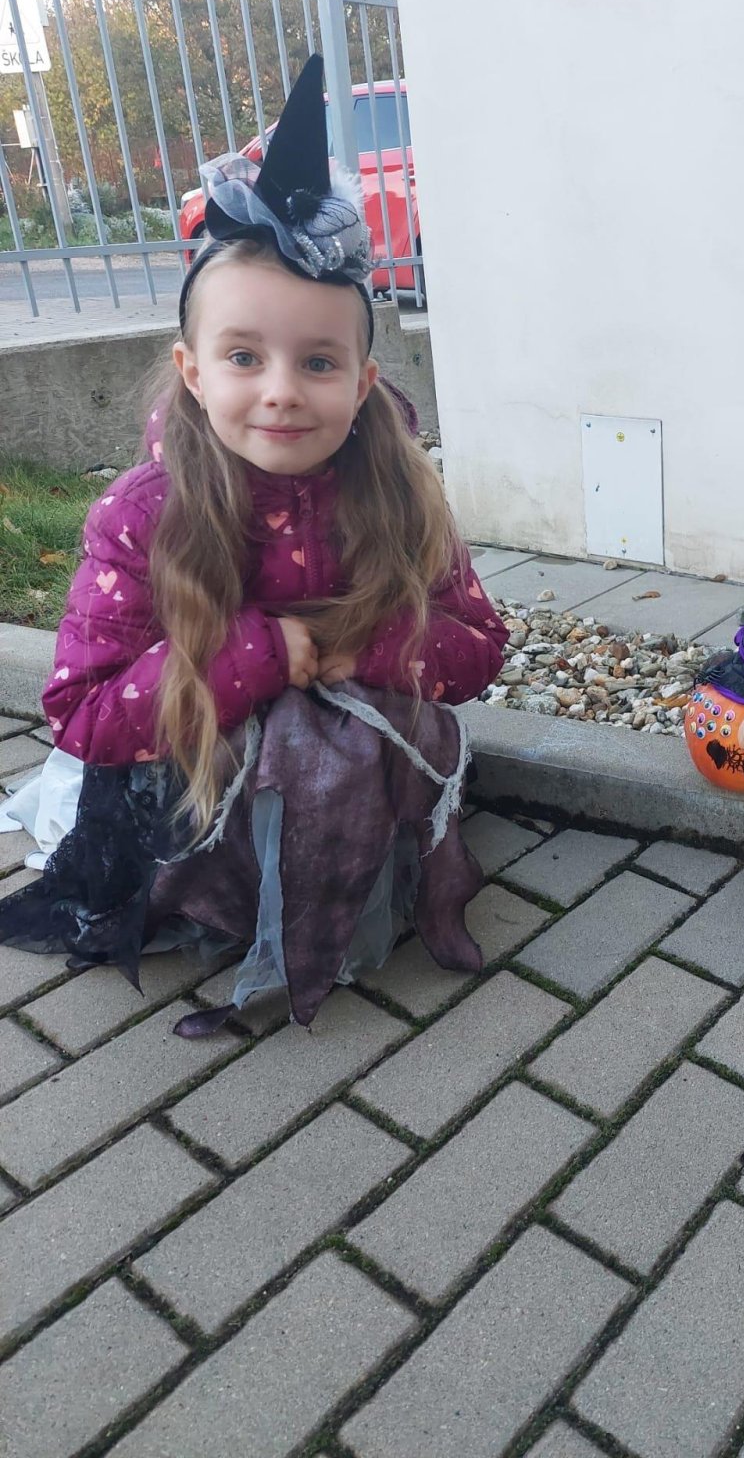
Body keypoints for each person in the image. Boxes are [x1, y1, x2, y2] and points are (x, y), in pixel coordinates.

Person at [0, 54, 506, 1034]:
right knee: (269, 741)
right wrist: (259, 655)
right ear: (192, 371)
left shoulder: (398, 492)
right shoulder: (146, 515)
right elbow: (83, 710)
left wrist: (364, 646)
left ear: (362, 381)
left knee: (345, 742)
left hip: (349, 764)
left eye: (317, 361)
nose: (280, 391)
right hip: (195, 773)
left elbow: (479, 644)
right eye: (243, 356)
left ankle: (343, 889)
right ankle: (222, 900)